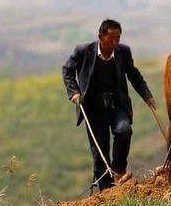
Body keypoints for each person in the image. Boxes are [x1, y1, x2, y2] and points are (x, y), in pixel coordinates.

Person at [62, 19, 156, 191]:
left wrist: (147, 96)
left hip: (116, 105)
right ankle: (107, 191)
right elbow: (67, 70)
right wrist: (74, 92)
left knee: (124, 130)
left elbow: (133, 74)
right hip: (92, 109)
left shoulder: (123, 52)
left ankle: (119, 170)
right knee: (99, 152)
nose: (115, 43)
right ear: (100, 37)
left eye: (118, 38)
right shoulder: (83, 51)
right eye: (111, 38)